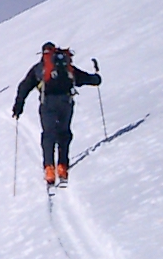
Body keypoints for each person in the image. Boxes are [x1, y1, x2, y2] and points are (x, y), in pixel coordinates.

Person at [12, 42, 101, 186]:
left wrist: (18, 107)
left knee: (48, 134)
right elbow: (82, 78)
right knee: (64, 133)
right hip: (66, 102)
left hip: (47, 103)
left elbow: (24, 87)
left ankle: (49, 168)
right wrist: (96, 79)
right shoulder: (65, 66)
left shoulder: (39, 68)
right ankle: (62, 166)